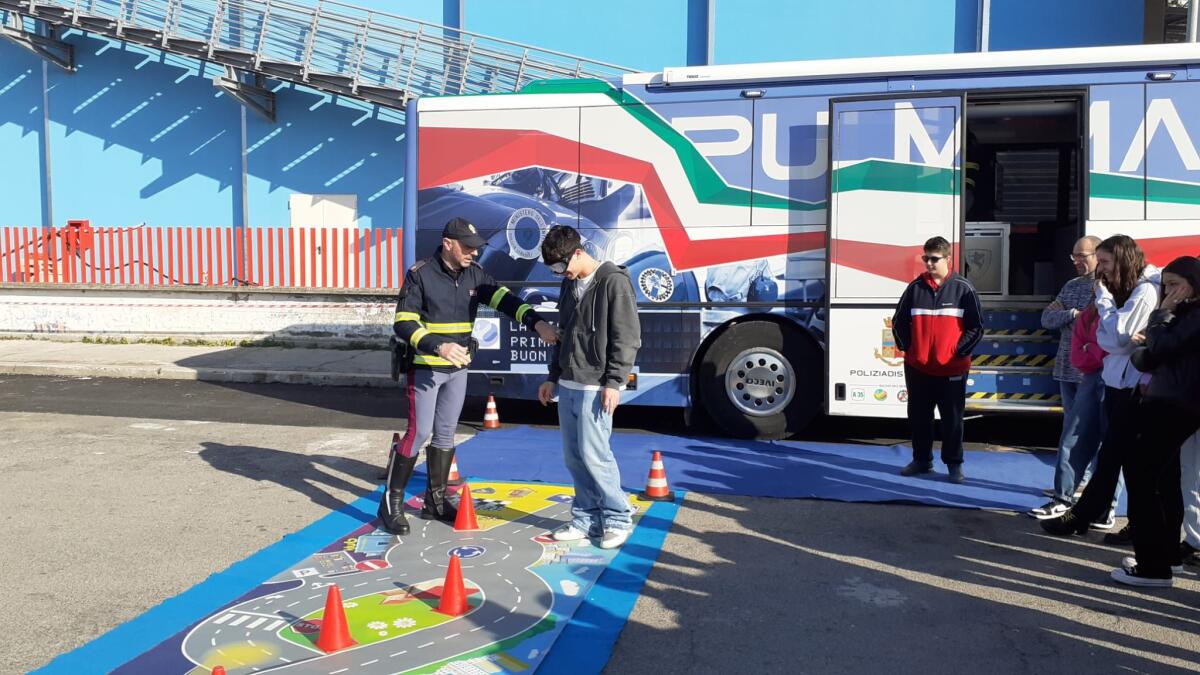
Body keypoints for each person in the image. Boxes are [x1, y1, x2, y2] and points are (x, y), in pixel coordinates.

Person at [379, 218, 558, 535]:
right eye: (467, 247)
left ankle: (434, 502)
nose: (474, 253)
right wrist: (439, 345)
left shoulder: (476, 274)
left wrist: (536, 323)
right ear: (448, 243)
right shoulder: (420, 274)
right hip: (426, 367)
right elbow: (403, 323)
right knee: (418, 433)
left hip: (458, 368)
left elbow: (507, 300)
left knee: (447, 434)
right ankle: (391, 503)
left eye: (476, 248)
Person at [1041, 235, 1161, 538]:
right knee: (1105, 451)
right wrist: (1083, 318)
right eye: (1074, 256)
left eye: (1103, 261)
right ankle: (1081, 510)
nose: (1100, 270)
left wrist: (1104, 303)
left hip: (1124, 385)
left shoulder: (1141, 291)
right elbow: (1103, 336)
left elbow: (1116, 338)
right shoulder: (1076, 287)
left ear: (1119, 259)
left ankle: (1089, 514)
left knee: (1114, 455)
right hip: (1094, 375)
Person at [537, 225, 641, 549]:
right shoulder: (569, 286)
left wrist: (615, 382)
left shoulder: (613, 281)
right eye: (554, 269)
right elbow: (563, 332)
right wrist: (553, 376)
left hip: (595, 386)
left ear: (578, 252)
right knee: (574, 457)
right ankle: (586, 518)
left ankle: (618, 518)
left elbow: (627, 337)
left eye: (561, 266)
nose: (560, 274)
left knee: (596, 455)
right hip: (568, 382)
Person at [1115, 256, 1200, 587]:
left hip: (1176, 404)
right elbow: (1151, 354)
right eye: (1166, 284)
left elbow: (1160, 346)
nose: (1169, 291)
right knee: (1163, 478)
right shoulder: (1186, 314)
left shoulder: (1190, 315)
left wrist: (1159, 315)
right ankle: (1165, 556)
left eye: (1177, 284)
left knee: (1141, 474)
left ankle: (1154, 566)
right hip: (1171, 400)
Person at [892, 236, 984, 484]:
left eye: (934, 259)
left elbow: (976, 328)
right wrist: (909, 350)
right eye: (926, 258)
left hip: (951, 369)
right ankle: (922, 460)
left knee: (953, 420)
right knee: (919, 417)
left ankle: (954, 465)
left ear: (948, 259)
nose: (929, 263)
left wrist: (957, 353)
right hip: (918, 368)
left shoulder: (964, 288)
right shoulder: (915, 288)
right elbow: (899, 321)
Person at [1030, 236, 1104, 519]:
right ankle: (1077, 483)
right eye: (1073, 257)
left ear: (1098, 255)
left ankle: (1093, 492)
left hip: (1091, 371)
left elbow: (1096, 322)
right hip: (1066, 369)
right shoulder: (1071, 286)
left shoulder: (1105, 287)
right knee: (1070, 431)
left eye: (1082, 256)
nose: (1076, 262)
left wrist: (1070, 316)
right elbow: (1046, 319)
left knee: (1089, 434)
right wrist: (1073, 313)